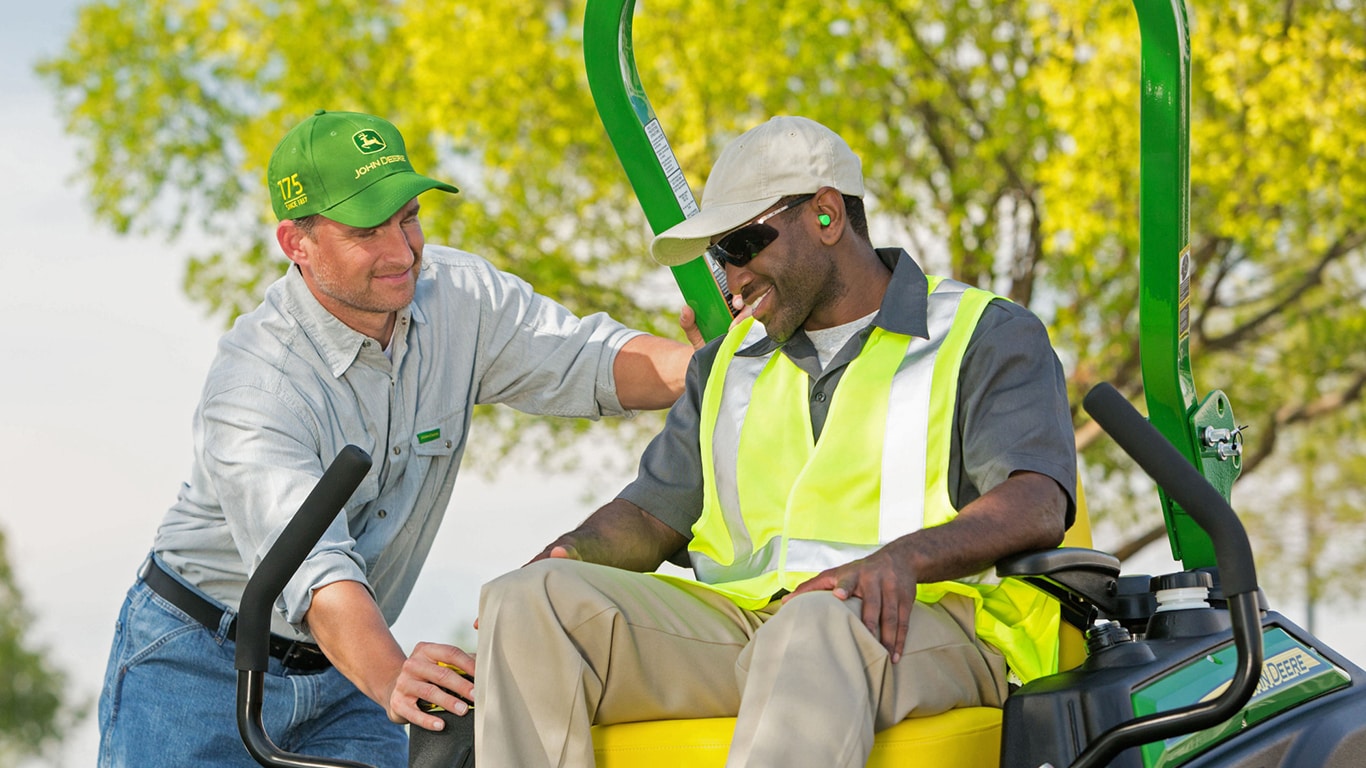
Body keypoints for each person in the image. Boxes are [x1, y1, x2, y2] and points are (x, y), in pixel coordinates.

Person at [96, 109, 694, 768]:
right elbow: (315, 573)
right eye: (366, 230)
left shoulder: (460, 298)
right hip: (198, 667)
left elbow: (587, 358)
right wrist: (389, 676)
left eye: (408, 218)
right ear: (296, 242)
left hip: (340, 675)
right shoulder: (256, 385)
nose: (401, 251)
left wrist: (715, 367)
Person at [473, 116, 1078, 767]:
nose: (732, 275)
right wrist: (569, 552)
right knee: (525, 600)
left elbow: (1035, 500)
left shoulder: (982, 332)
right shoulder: (726, 366)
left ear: (825, 215)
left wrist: (900, 560)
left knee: (817, 622)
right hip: (754, 631)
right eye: (720, 256)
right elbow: (651, 514)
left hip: (928, 622)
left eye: (743, 243)